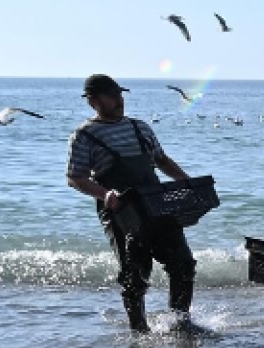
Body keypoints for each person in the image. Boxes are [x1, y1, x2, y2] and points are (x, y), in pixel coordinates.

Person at [66, 74, 197, 333]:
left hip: (158, 205)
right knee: (134, 274)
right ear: (93, 101)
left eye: (120, 94)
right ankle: (139, 331)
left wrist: (185, 181)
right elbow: (75, 177)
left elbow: (161, 160)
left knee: (183, 265)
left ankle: (181, 324)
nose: (119, 99)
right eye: (111, 95)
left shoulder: (140, 127)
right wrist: (105, 195)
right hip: (120, 211)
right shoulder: (84, 135)